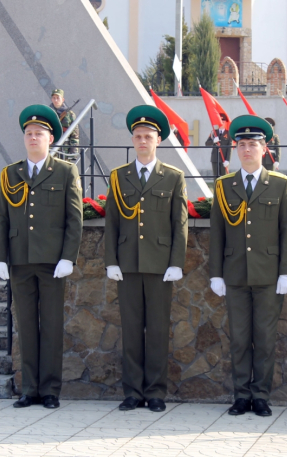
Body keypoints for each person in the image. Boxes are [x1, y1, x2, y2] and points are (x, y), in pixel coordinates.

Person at [0, 104, 84, 409]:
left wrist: (68, 257)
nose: (33, 138)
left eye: (39, 134)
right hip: (20, 261)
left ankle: (50, 390)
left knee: (52, 326)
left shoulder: (65, 171)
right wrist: (1, 258)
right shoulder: (11, 173)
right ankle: (29, 389)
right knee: (27, 327)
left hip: (52, 262)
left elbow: (74, 219)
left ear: (50, 139)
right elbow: (2, 219)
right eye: (29, 133)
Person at [209, 115, 287, 417]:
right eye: (242, 144)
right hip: (235, 274)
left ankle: (260, 395)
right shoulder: (224, 185)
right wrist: (216, 274)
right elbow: (217, 232)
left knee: (265, 338)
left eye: (253, 145)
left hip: (269, 275)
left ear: (264, 149)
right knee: (239, 338)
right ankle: (241, 395)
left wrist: (286, 272)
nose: (247, 150)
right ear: (236, 148)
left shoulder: (280, 184)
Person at [105, 105, 188, 413]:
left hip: (159, 264)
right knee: (130, 330)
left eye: (148, 137)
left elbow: (180, 223)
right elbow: (112, 222)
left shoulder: (173, 177)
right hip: (127, 264)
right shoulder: (119, 177)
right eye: (138, 136)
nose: (142, 141)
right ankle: (132, 392)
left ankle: (155, 392)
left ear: (158, 141)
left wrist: (176, 262)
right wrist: (111, 261)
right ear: (132, 140)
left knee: (156, 331)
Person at [49, 88, 80, 160]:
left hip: (65, 150)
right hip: (50, 149)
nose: (56, 100)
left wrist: (73, 153)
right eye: (54, 98)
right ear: (51, 99)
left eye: (58, 98)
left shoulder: (70, 115)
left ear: (63, 99)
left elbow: (74, 135)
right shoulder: (47, 113)